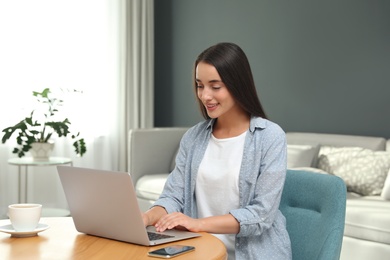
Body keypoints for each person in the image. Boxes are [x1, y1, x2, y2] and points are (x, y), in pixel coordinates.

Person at [143, 42, 292, 259]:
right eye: (199, 85)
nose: (204, 96)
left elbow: (261, 215)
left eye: (215, 86)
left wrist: (197, 224)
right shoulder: (193, 138)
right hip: (203, 253)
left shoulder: (270, 137)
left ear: (237, 84)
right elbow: (173, 196)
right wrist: (146, 218)